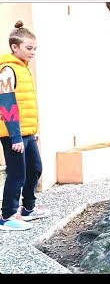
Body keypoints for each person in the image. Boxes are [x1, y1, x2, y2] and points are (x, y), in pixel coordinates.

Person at [0, 20, 50, 231]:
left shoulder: (23, 69)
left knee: (35, 169)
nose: (33, 52)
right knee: (17, 173)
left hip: (27, 133)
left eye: (34, 49)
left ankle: (28, 208)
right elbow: (6, 103)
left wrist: (32, 131)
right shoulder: (7, 70)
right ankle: (7, 216)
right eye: (29, 48)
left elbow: (26, 103)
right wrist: (16, 136)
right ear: (15, 47)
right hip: (14, 135)